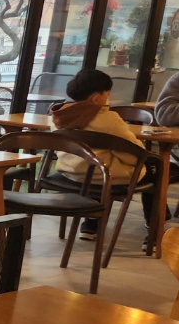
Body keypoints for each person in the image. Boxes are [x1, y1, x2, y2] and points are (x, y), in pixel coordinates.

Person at [49, 68, 152, 240]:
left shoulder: (58, 116)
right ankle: (154, 231)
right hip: (102, 176)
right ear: (96, 98)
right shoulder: (108, 119)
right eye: (107, 94)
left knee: (98, 162)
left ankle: (90, 226)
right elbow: (133, 154)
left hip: (69, 173)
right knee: (155, 168)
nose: (109, 99)